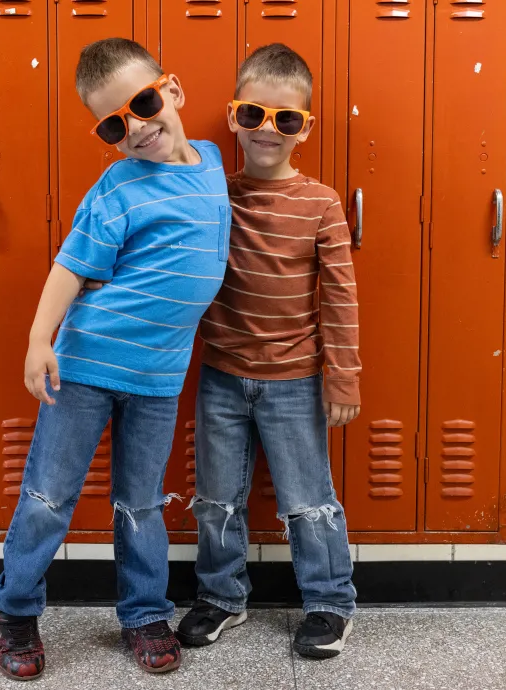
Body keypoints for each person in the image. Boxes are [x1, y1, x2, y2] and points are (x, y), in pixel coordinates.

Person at [0, 37, 230, 680]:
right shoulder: (119, 184)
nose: (138, 127)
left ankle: (145, 613)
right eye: (115, 124)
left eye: (144, 102)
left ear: (172, 90)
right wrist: (41, 341)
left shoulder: (210, 164)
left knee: (141, 502)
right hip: (88, 365)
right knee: (49, 495)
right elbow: (72, 264)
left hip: (158, 377)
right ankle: (15, 609)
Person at [176, 43, 361, 659]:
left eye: (286, 119)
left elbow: (339, 298)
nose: (267, 130)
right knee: (215, 498)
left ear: (305, 128)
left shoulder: (322, 203)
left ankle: (331, 603)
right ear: (233, 117)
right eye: (253, 115)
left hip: (295, 380)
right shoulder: (215, 196)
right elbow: (167, 251)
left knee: (309, 500)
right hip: (223, 376)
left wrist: (343, 377)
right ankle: (221, 596)